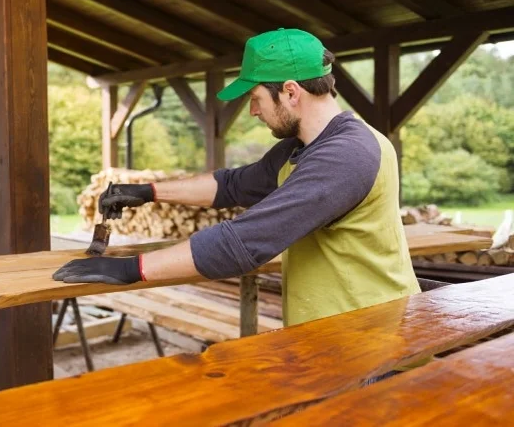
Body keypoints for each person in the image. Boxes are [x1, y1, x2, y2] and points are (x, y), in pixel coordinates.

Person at [53, 28, 421, 328]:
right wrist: (146, 191)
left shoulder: (345, 155)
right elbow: (232, 185)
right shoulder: (303, 146)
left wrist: (130, 269)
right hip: (336, 331)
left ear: (291, 91)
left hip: (373, 336)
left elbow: (244, 242)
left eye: (256, 97)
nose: (252, 111)